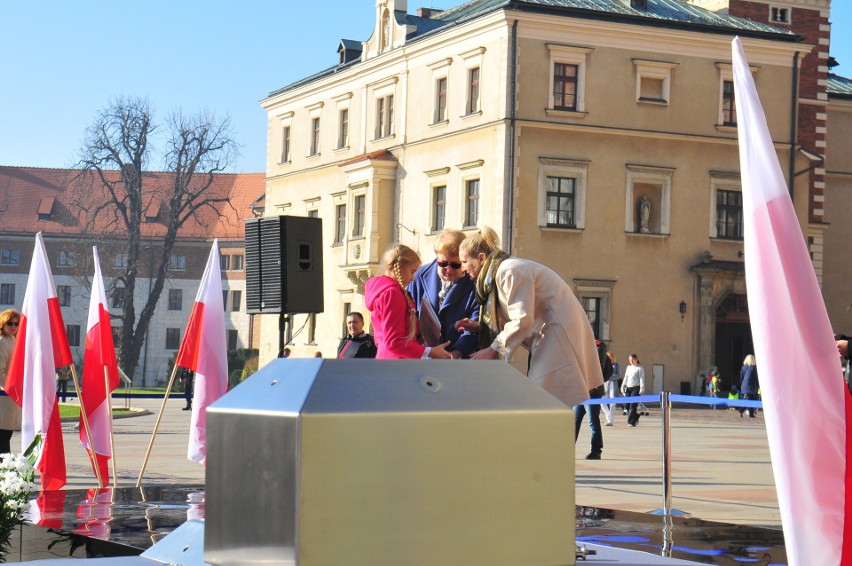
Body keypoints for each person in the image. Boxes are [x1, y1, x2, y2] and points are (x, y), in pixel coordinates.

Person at [455, 227, 604, 407]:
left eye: (464, 262)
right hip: (550, 332)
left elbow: (521, 319)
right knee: (545, 401)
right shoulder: (502, 271)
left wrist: (492, 349)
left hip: (556, 332)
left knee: (543, 400)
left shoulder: (509, 271)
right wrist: (480, 326)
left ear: (480, 258)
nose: (462, 269)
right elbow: (516, 315)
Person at [364, 244, 452, 360]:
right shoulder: (393, 293)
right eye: (412, 271)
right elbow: (393, 342)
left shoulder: (384, 291)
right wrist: (430, 352)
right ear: (400, 267)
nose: (413, 278)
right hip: (397, 363)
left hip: (386, 358)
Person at [409, 229, 480, 359]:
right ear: (437, 257)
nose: (448, 270)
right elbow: (409, 314)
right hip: (424, 355)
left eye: (455, 265)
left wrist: (457, 352)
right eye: (443, 263)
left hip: (457, 359)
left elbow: (474, 325)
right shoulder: (419, 276)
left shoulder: (474, 283)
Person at [574, 340, 611, 459]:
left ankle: (596, 450)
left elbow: (595, 370)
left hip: (592, 391)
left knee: (592, 421)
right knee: (574, 420)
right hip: (581, 390)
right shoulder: (583, 346)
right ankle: (567, 449)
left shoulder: (598, 347)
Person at [0, 309, 22, 454]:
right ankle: (5, 470)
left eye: (16, 323)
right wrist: (11, 389)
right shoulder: (2, 342)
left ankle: (5, 469)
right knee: (3, 437)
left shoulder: (13, 340)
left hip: (11, 395)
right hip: (5, 395)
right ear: (3, 323)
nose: (13, 326)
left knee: (5, 436)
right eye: (10, 323)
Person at [620, 354, 645, 427]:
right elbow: (626, 377)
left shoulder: (640, 368)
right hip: (628, 387)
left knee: (633, 405)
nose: (631, 361)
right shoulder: (628, 367)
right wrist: (623, 386)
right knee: (626, 404)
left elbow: (642, 378)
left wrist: (642, 388)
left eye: (632, 360)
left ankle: (631, 422)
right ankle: (636, 416)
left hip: (636, 387)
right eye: (630, 360)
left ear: (636, 359)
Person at [601, 351, 620, 426]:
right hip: (605, 385)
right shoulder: (604, 365)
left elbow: (618, 375)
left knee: (612, 403)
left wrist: (609, 376)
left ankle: (610, 420)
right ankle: (608, 416)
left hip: (613, 385)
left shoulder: (616, 364)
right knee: (602, 403)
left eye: (610, 357)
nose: (609, 359)